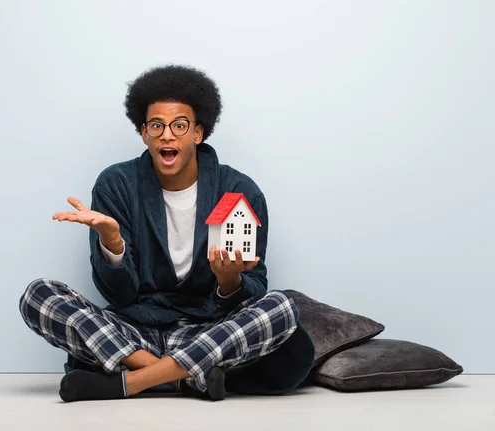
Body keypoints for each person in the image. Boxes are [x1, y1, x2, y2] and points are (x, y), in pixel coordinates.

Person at [18, 65, 315, 402]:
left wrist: (228, 281)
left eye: (179, 125)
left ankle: (132, 382)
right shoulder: (117, 185)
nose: (167, 135)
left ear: (198, 133)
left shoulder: (239, 191)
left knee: (281, 306)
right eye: (156, 126)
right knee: (39, 295)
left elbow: (255, 288)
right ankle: (181, 379)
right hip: (135, 333)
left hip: (208, 332)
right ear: (143, 133)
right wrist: (112, 244)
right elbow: (121, 296)